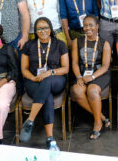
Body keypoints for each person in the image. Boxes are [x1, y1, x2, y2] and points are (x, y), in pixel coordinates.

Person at [19, 17, 69, 148]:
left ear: (51, 29)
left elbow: (65, 68)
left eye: (45, 27)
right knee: (47, 96)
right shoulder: (29, 46)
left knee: (46, 82)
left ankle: (30, 120)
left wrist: (49, 73)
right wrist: (32, 78)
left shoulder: (60, 44)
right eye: (39, 28)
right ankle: (50, 138)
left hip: (56, 79)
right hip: (33, 81)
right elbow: (24, 69)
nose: (43, 31)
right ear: (35, 31)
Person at [71, 15, 111, 140]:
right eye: (85, 25)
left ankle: (97, 123)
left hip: (100, 73)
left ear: (97, 27)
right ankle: (102, 118)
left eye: (91, 25)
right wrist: (78, 76)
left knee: (92, 90)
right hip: (83, 73)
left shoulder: (104, 44)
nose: (88, 28)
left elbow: (105, 66)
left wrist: (93, 76)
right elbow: (75, 63)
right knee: (77, 91)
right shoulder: (77, 42)